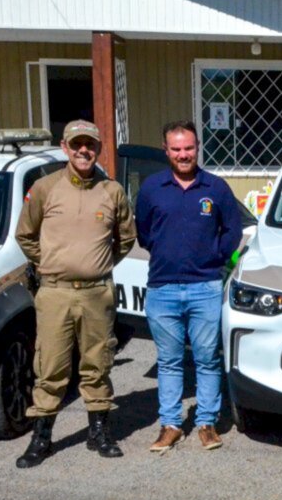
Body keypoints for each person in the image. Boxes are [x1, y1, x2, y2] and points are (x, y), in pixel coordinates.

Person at [15, 120, 136, 468]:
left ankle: (98, 433)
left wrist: (98, 263)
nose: (84, 150)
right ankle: (42, 438)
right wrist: (51, 263)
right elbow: (26, 236)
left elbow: (125, 238)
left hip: (98, 293)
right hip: (55, 293)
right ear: (65, 148)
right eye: (77, 144)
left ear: (98, 149)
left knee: (96, 364)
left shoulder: (111, 191)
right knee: (50, 366)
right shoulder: (44, 188)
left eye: (91, 145)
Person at [135, 121, 242, 452]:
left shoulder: (216, 188)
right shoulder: (152, 188)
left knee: (207, 359)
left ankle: (206, 422)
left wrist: (214, 258)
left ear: (198, 147)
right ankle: (169, 424)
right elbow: (144, 233)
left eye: (189, 148)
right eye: (177, 149)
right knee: (168, 361)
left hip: (205, 287)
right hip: (163, 288)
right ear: (166, 151)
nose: (184, 154)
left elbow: (232, 231)